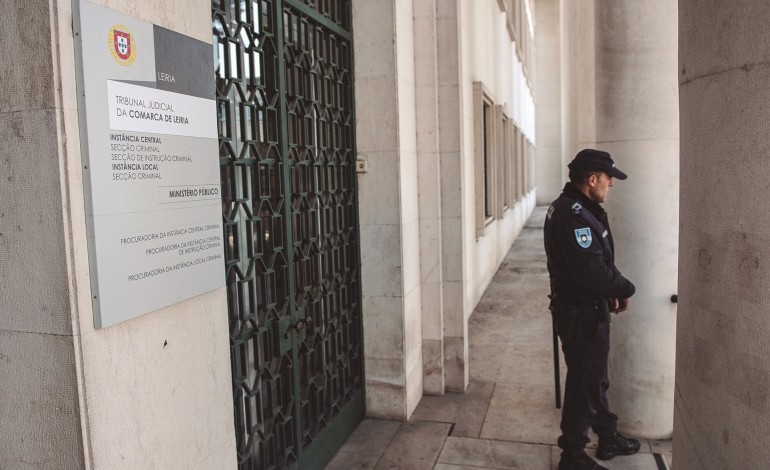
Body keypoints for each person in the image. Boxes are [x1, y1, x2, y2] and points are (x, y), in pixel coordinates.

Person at [543, 149, 641, 470]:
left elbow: (596, 262)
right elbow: (592, 273)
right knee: (585, 384)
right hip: (581, 313)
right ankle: (571, 455)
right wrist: (624, 287)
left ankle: (607, 434)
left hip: (584, 308)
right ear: (592, 179)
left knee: (594, 378)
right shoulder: (574, 217)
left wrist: (610, 290)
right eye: (609, 177)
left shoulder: (577, 208)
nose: (611, 183)